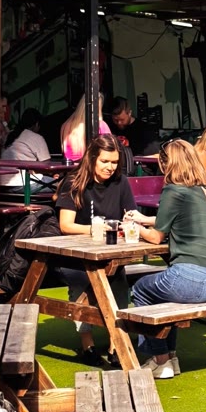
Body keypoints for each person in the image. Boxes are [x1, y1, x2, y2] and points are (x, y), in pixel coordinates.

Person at [130, 138, 206, 380]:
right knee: (168, 297)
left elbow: (156, 237)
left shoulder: (173, 191)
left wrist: (134, 227)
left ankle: (160, 359)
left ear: (166, 165)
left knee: (141, 289)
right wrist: (145, 220)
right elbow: (183, 217)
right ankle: (171, 357)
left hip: (192, 280)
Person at [55, 134, 141, 361]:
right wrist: (96, 229)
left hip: (109, 253)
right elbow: (65, 225)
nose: (110, 167)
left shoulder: (121, 182)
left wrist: (130, 222)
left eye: (114, 162)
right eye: (105, 161)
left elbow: (131, 215)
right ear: (92, 158)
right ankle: (87, 343)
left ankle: (116, 342)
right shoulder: (74, 181)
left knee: (119, 281)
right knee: (82, 281)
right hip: (75, 254)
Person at [1, 107, 52, 192]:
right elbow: (47, 166)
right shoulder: (36, 137)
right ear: (37, 124)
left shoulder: (9, 135)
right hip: (23, 185)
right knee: (63, 186)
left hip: (3, 185)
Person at [60, 97, 112, 165]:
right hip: (89, 168)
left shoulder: (65, 125)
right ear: (98, 108)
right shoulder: (101, 125)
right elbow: (110, 151)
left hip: (69, 169)